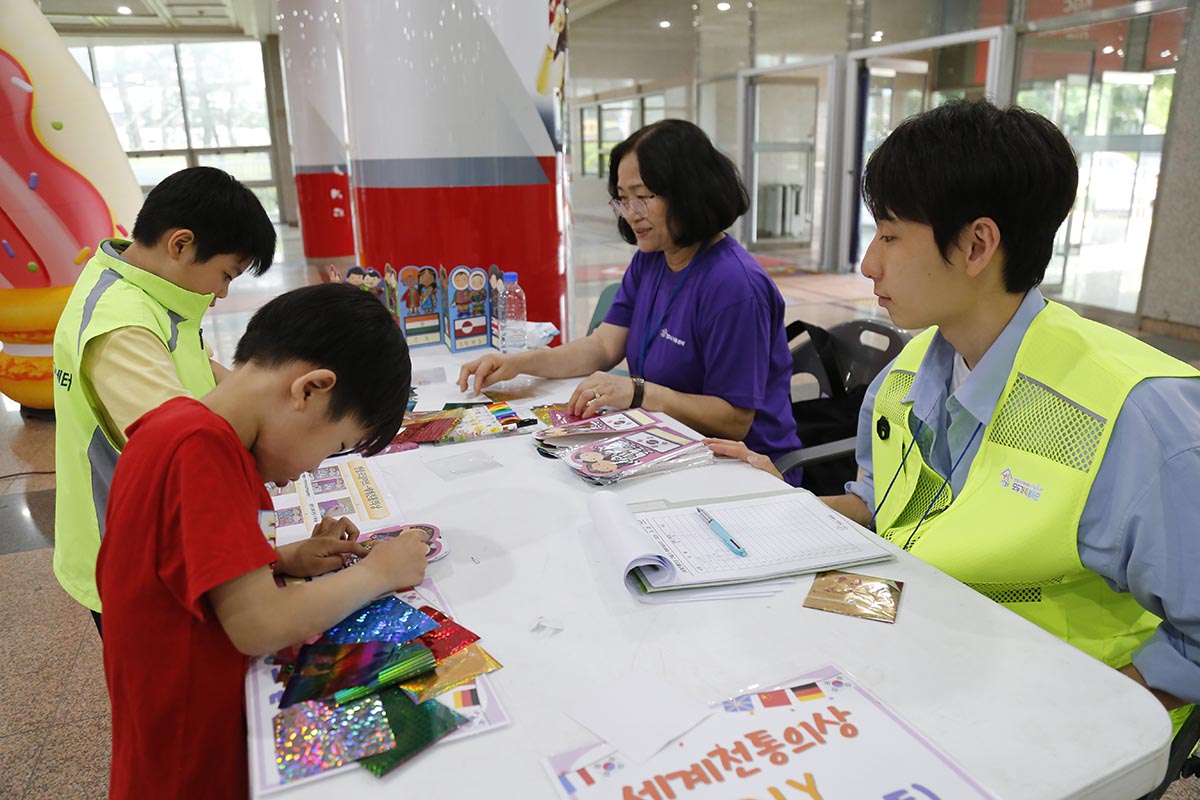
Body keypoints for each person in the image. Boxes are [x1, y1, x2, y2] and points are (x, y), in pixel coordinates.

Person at [709, 99, 1199, 730]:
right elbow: (883, 510)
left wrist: (1078, 727)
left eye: (890, 236)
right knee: (736, 665)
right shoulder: (908, 373)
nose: (869, 264)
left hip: (1038, 713)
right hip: (917, 640)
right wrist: (780, 504)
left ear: (976, 245)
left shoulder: (1134, 415)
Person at [97, 283, 431, 799]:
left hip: (185, 731)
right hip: (192, 760)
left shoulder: (183, 429)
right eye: (336, 445)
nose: (315, 467)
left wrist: (281, 558)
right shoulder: (200, 452)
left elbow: (182, 562)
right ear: (310, 390)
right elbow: (258, 626)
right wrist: (379, 572)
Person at [457, 119, 803, 482]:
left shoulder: (735, 286)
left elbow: (734, 420)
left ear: (688, 191)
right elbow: (602, 347)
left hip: (742, 469)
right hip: (669, 444)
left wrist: (640, 392)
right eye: (622, 198)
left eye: (643, 196)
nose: (631, 213)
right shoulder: (652, 259)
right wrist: (519, 363)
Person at [52, 166, 276, 633]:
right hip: (131, 554)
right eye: (225, 274)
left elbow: (203, 368)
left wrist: (269, 403)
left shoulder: (142, 287)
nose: (221, 294)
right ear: (180, 244)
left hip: (157, 540)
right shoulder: (122, 324)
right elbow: (179, 453)